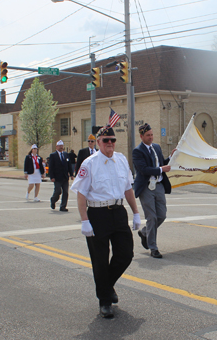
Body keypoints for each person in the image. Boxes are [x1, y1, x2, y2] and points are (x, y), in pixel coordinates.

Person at [71, 126, 141, 319]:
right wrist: (85, 220)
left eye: (112, 140)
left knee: (126, 254)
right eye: (106, 140)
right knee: (100, 260)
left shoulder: (121, 160)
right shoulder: (89, 163)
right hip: (97, 214)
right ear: (99, 142)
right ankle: (105, 301)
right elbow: (81, 194)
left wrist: (136, 212)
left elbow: (128, 188)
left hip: (118, 212)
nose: (110, 143)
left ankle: (107, 287)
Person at [133, 123, 175, 258]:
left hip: (159, 185)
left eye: (151, 135)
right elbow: (143, 169)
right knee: (151, 217)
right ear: (141, 136)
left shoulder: (156, 147)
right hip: (146, 187)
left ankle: (144, 232)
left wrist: (171, 157)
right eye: (148, 135)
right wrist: (161, 169)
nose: (151, 137)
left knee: (161, 215)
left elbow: (161, 162)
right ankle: (153, 248)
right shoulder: (138, 151)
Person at [48, 140, 74, 212]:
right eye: (59, 146)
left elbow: (69, 165)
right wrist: (52, 176)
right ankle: (53, 200)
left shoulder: (66, 154)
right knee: (58, 191)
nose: (61, 147)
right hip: (57, 177)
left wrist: (71, 174)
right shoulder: (53, 155)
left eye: (62, 146)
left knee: (65, 192)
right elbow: (51, 167)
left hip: (65, 177)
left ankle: (63, 206)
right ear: (56, 147)